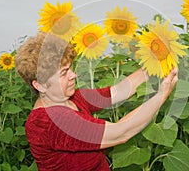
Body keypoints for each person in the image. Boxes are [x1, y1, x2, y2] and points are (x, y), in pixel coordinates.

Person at [15, 32, 178, 171]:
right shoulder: (48, 122)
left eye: (71, 68)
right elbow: (121, 132)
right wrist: (162, 94)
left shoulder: (71, 97)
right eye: (64, 73)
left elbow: (115, 92)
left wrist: (152, 65)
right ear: (40, 85)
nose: (73, 75)